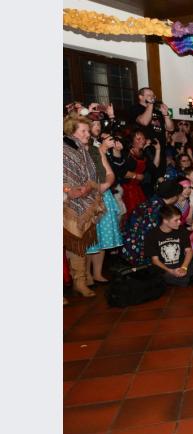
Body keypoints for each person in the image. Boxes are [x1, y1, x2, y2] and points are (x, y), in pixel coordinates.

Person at [64, 114, 105, 297]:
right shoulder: (61, 148)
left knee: (78, 244)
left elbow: (92, 176)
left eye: (88, 130)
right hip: (65, 205)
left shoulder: (83, 149)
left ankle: (79, 282)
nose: (88, 134)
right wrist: (67, 190)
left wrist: (89, 187)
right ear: (72, 131)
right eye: (84, 131)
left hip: (83, 201)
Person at [146, 205, 193, 287]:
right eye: (176, 220)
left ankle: (191, 278)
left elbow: (189, 251)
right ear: (165, 221)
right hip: (166, 270)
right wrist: (171, 271)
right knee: (163, 277)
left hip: (183, 265)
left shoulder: (181, 230)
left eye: (179, 219)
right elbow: (155, 260)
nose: (179, 222)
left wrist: (184, 267)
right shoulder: (152, 235)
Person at [86, 132, 123, 284]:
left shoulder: (97, 150)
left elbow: (110, 173)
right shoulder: (75, 150)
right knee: (89, 238)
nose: (87, 134)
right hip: (87, 195)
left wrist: (106, 185)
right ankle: (85, 275)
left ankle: (97, 273)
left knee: (102, 237)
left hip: (104, 194)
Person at [121, 180, 183, 266]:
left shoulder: (150, 202)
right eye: (178, 195)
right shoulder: (160, 210)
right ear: (173, 196)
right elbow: (155, 236)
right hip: (141, 254)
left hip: (128, 247)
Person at [131, 87, 174, 151]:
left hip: (161, 147)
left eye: (153, 95)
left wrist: (166, 114)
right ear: (140, 97)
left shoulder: (157, 111)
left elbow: (171, 128)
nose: (152, 97)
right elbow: (145, 122)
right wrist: (150, 104)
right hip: (146, 148)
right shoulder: (135, 109)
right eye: (149, 95)